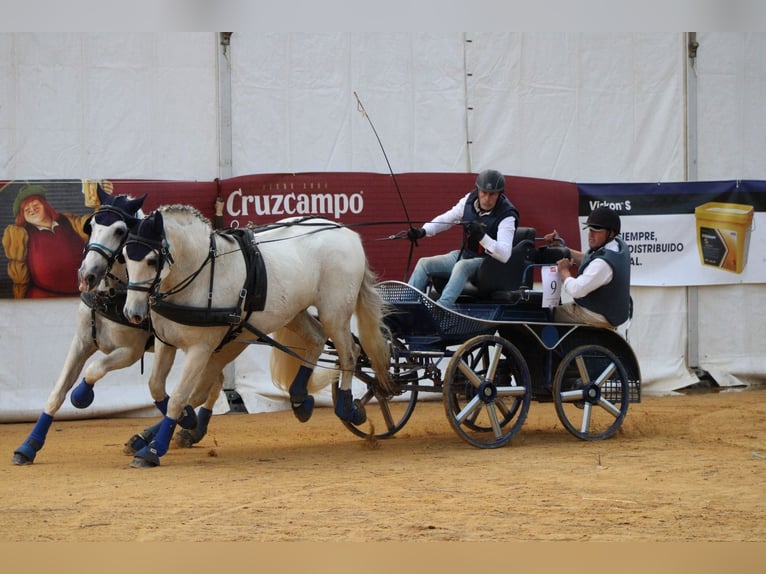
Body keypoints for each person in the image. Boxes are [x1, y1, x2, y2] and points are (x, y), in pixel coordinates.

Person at [403, 169, 519, 309]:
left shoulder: (507, 215)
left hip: (487, 263)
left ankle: (440, 310)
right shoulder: (469, 200)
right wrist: (424, 231)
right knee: (424, 263)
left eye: (492, 194)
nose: (487, 199)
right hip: (465, 254)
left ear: (500, 193)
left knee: (461, 266)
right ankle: (405, 307)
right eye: (484, 193)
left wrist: (482, 236)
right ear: (478, 189)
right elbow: (447, 218)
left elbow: (504, 255)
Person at [544, 206, 631, 329]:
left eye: (596, 230)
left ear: (611, 233)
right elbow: (587, 260)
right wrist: (562, 249)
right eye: (590, 229)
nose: (591, 235)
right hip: (609, 312)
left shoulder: (603, 264)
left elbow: (576, 290)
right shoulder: (616, 246)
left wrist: (564, 272)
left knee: (548, 316)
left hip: (596, 315)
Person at [2, 184, 91, 298]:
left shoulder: (70, 222)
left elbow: (98, 228)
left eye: (35, 204)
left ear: (45, 205)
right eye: (26, 209)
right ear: (22, 216)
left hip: (84, 297)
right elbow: (19, 277)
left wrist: (101, 195)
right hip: (44, 301)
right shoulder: (22, 236)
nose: (32, 209)